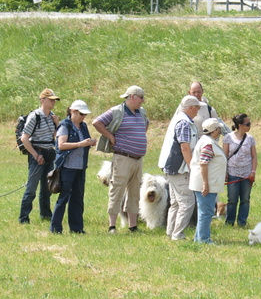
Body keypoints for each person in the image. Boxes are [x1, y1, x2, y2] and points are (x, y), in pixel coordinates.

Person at [92, 85, 149, 234]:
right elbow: (97, 122)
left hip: (138, 159)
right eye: (141, 97)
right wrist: (111, 136)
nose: (143, 101)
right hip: (123, 158)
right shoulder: (117, 111)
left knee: (135, 192)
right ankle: (112, 226)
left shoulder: (141, 112)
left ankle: (132, 226)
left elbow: (145, 125)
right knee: (117, 190)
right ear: (132, 97)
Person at [50, 100, 97, 234]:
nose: (83, 117)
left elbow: (84, 142)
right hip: (67, 167)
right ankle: (55, 228)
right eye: (81, 114)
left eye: (85, 114)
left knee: (77, 198)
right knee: (63, 197)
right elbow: (61, 145)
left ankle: (77, 228)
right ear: (73, 111)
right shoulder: (65, 125)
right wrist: (80, 144)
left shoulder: (83, 126)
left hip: (80, 167)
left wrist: (90, 143)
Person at [158, 95, 202, 240]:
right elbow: (185, 148)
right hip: (179, 169)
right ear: (190, 107)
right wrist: (192, 167)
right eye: (197, 107)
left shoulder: (179, 119)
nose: (198, 110)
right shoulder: (184, 123)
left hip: (171, 168)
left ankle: (171, 232)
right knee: (187, 202)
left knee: (176, 203)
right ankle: (178, 234)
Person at [19, 88, 60, 224]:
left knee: (47, 187)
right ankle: (24, 218)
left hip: (49, 153)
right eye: (51, 100)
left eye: (54, 100)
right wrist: (36, 155)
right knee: (31, 188)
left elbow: (56, 137)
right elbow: (24, 138)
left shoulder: (52, 116)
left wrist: (57, 124)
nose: (54, 102)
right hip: (38, 153)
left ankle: (46, 215)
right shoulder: (34, 116)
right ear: (42, 101)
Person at [189, 118, 227, 244]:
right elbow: (203, 164)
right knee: (206, 212)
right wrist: (205, 184)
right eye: (219, 129)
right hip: (206, 183)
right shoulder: (208, 144)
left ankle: (198, 238)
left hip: (208, 182)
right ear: (214, 130)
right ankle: (204, 240)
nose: (220, 131)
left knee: (204, 212)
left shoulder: (207, 141)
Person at [222, 113, 257, 227]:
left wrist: (253, 171)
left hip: (247, 174)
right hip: (233, 172)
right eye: (248, 124)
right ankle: (229, 222)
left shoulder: (250, 138)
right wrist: (225, 172)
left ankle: (242, 222)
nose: (249, 126)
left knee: (245, 199)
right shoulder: (228, 137)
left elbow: (254, 156)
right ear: (240, 125)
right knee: (232, 200)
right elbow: (224, 156)